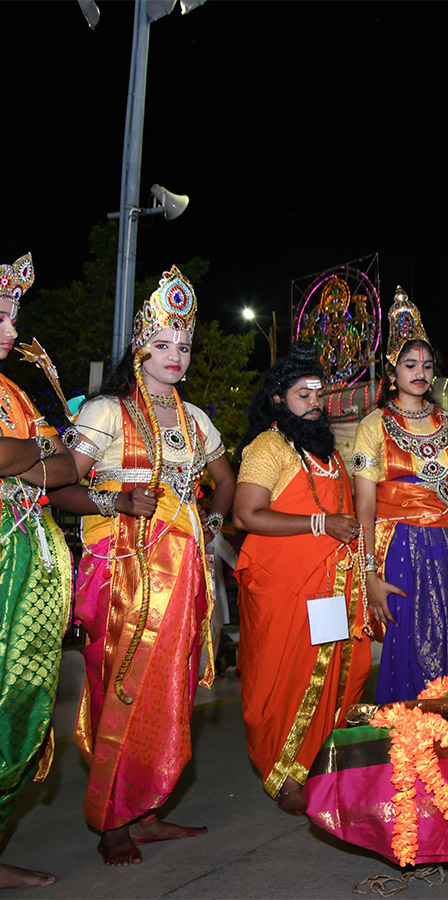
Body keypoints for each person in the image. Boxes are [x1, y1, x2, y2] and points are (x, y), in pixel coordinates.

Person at [55, 266, 235, 864]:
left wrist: (209, 525)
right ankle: (111, 821)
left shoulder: (195, 420)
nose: (176, 355)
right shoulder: (106, 412)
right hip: (119, 573)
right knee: (120, 692)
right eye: (164, 344)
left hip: (181, 574)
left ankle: (146, 809)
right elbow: (62, 491)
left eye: (184, 345)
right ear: (141, 346)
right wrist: (118, 500)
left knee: (172, 693)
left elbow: (224, 481)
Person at [231, 346, 372, 816]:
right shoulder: (267, 447)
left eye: (319, 392)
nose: (315, 401)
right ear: (277, 399)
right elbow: (246, 514)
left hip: (329, 589)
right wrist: (319, 525)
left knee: (333, 673)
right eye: (302, 393)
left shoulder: (327, 452)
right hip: (282, 589)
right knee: (283, 678)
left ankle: (315, 764)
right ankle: (282, 773)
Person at [352, 288, 448, 702]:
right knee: (409, 657)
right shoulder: (373, 425)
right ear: (391, 371)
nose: (420, 372)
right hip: (399, 551)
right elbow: (364, 507)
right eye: (410, 364)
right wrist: (369, 575)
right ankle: (411, 756)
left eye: (427, 365)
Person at [0, 253, 78, 888]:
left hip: (36, 561)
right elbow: (36, 454)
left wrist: (30, 457)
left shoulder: (15, 392)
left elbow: (67, 468)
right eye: (0, 313)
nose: (10, 326)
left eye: (14, 313)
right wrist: (38, 452)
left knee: (24, 707)